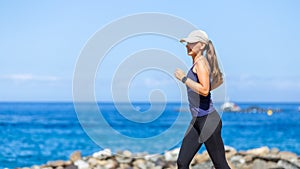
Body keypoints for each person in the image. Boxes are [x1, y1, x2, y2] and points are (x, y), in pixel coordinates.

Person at [174, 30, 231, 169]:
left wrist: (184, 78)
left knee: (220, 165)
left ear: (201, 45)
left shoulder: (200, 63)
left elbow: (204, 90)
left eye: (191, 43)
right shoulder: (198, 64)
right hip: (197, 121)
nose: (187, 46)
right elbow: (217, 81)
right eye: (187, 43)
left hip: (208, 121)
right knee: (182, 162)